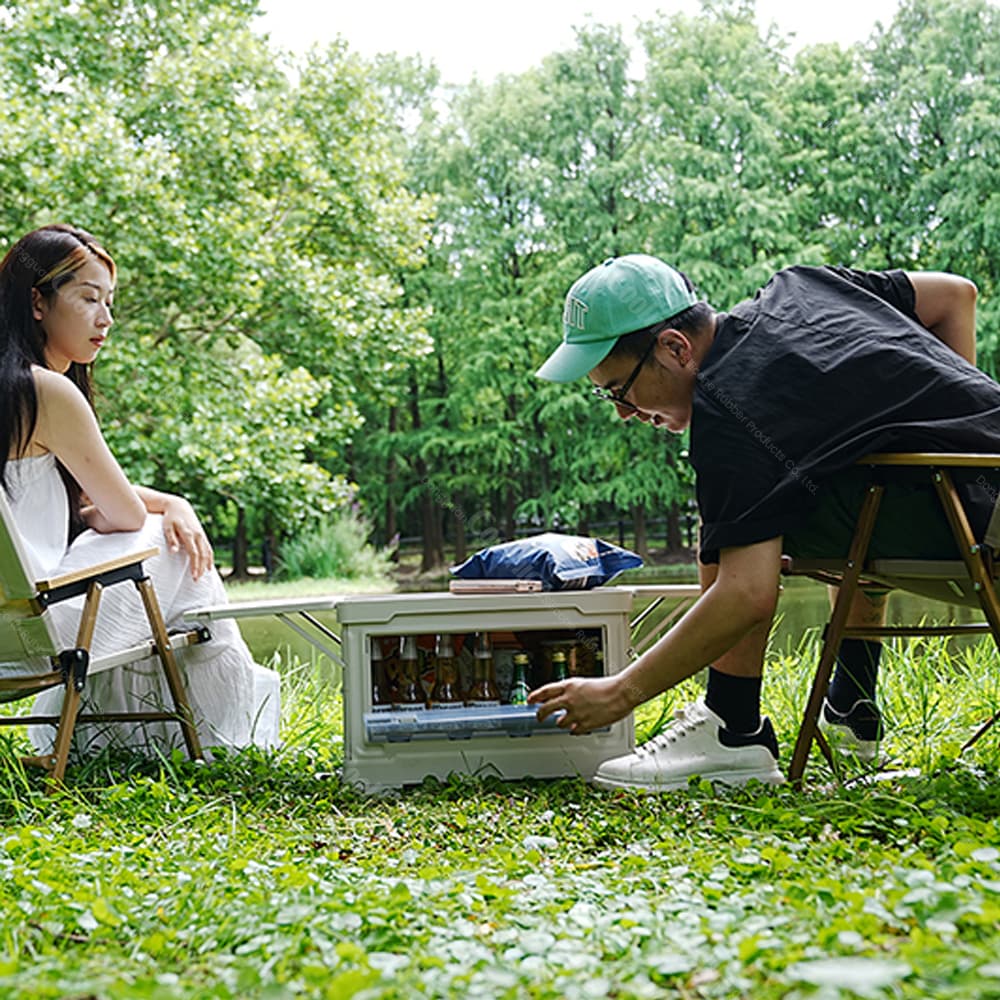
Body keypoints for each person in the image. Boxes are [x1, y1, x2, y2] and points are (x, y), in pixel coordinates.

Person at [529, 253, 1000, 791]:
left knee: (741, 512)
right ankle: (851, 711)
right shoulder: (803, 285)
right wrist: (962, 432)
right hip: (982, 498)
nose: (623, 412)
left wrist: (621, 692)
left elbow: (746, 593)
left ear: (675, 348)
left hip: (982, 530)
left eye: (619, 389)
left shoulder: (729, 408)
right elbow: (954, 296)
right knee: (826, 469)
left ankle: (732, 728)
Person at [0, 224, 280, 756]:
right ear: (37, 301)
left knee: (160, 536)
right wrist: (172, 505)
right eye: (89, 299)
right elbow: (125, 515)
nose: (106, 318)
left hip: (9, 634)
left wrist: (124, 509)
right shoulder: (47, 392)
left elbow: (87, 504)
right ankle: (220, 733)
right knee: (171, 544)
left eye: (110, 301)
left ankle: (104, 736)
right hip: (45, 635)